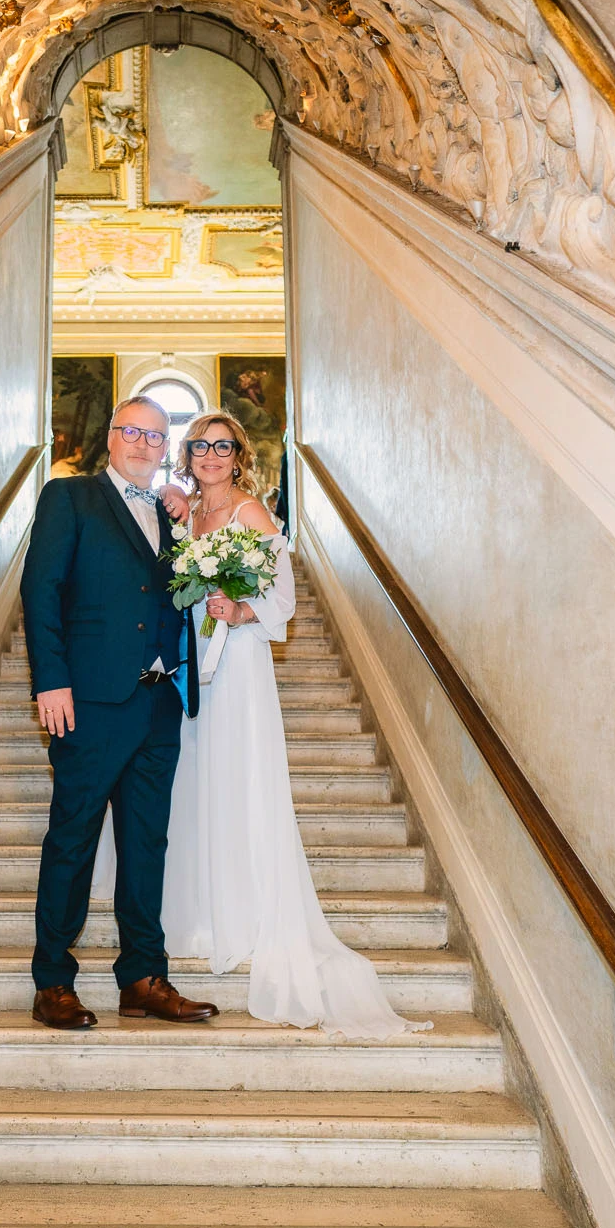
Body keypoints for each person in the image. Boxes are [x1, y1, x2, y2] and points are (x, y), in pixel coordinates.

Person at [156, 411, 429, 1038]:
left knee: (241, 777)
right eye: (201, 446)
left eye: (223, 447)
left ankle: (248, 914)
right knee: (197, 780)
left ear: (238, 455)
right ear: (189, 454)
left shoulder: (252, 514)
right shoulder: (187, 512)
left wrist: (240, 608)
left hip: (239, 665)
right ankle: (199, 910)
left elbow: (284, 598)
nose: (212, 456)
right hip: (193, 663)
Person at [19, 396, 216, 1031]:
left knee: (145, 844)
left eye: (156, 437)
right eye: (131, 431)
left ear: (166, 450)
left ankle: (142, 976)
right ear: (110, 437)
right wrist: (51, 682)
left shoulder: (171, 512)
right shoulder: (67, 498)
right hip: (89, 703)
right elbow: (41, 589)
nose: (142, 444)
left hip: (159, 702)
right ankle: (53, 980)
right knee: (72, 839)